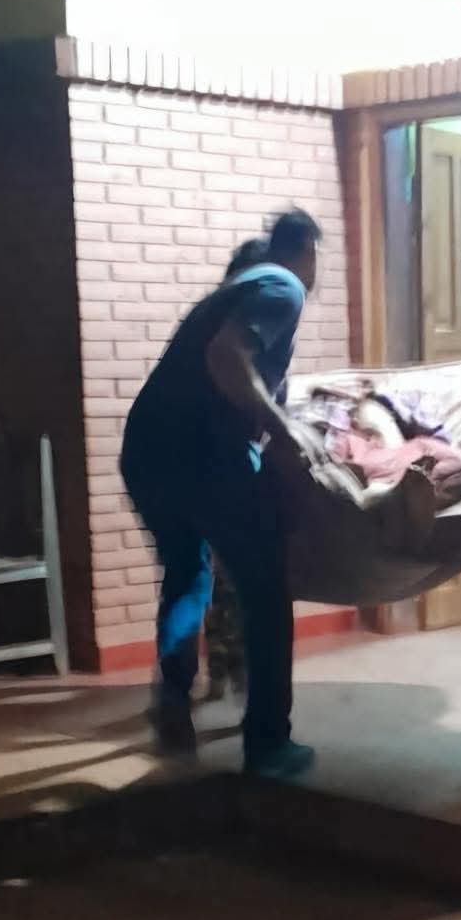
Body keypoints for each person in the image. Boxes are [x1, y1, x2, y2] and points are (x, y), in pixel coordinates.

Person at [121, 210, 321, 778]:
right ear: (307, 250)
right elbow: (226, 359)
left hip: (147, 451)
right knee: (265, 589)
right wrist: (285, 433)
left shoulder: (233, 289)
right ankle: (268, 744)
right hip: (202, 454)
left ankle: (173, 700)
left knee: (187, 574)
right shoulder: (282, 285)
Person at [202, 237, 270, 707]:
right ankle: (235, 671)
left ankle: (225, 669)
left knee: (222, 576)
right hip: (222, 462)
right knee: (233, 574)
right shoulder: (233, 332)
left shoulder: (222, 323)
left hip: (221, 461)